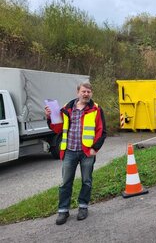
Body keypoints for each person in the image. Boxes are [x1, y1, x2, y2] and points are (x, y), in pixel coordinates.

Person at [45, 82, 107, 225]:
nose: (86, 94)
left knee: (86, 181)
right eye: (83, 91)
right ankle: (63, 210)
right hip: (70, 152)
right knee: (66, 182)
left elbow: (102, 131)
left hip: (87, 152)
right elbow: (57, 128)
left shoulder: (96, 109)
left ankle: (83, 207)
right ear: (78, 92)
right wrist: (49, 117)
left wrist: (94, 148)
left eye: (88, 92)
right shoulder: (67, 108)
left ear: (91, 93)